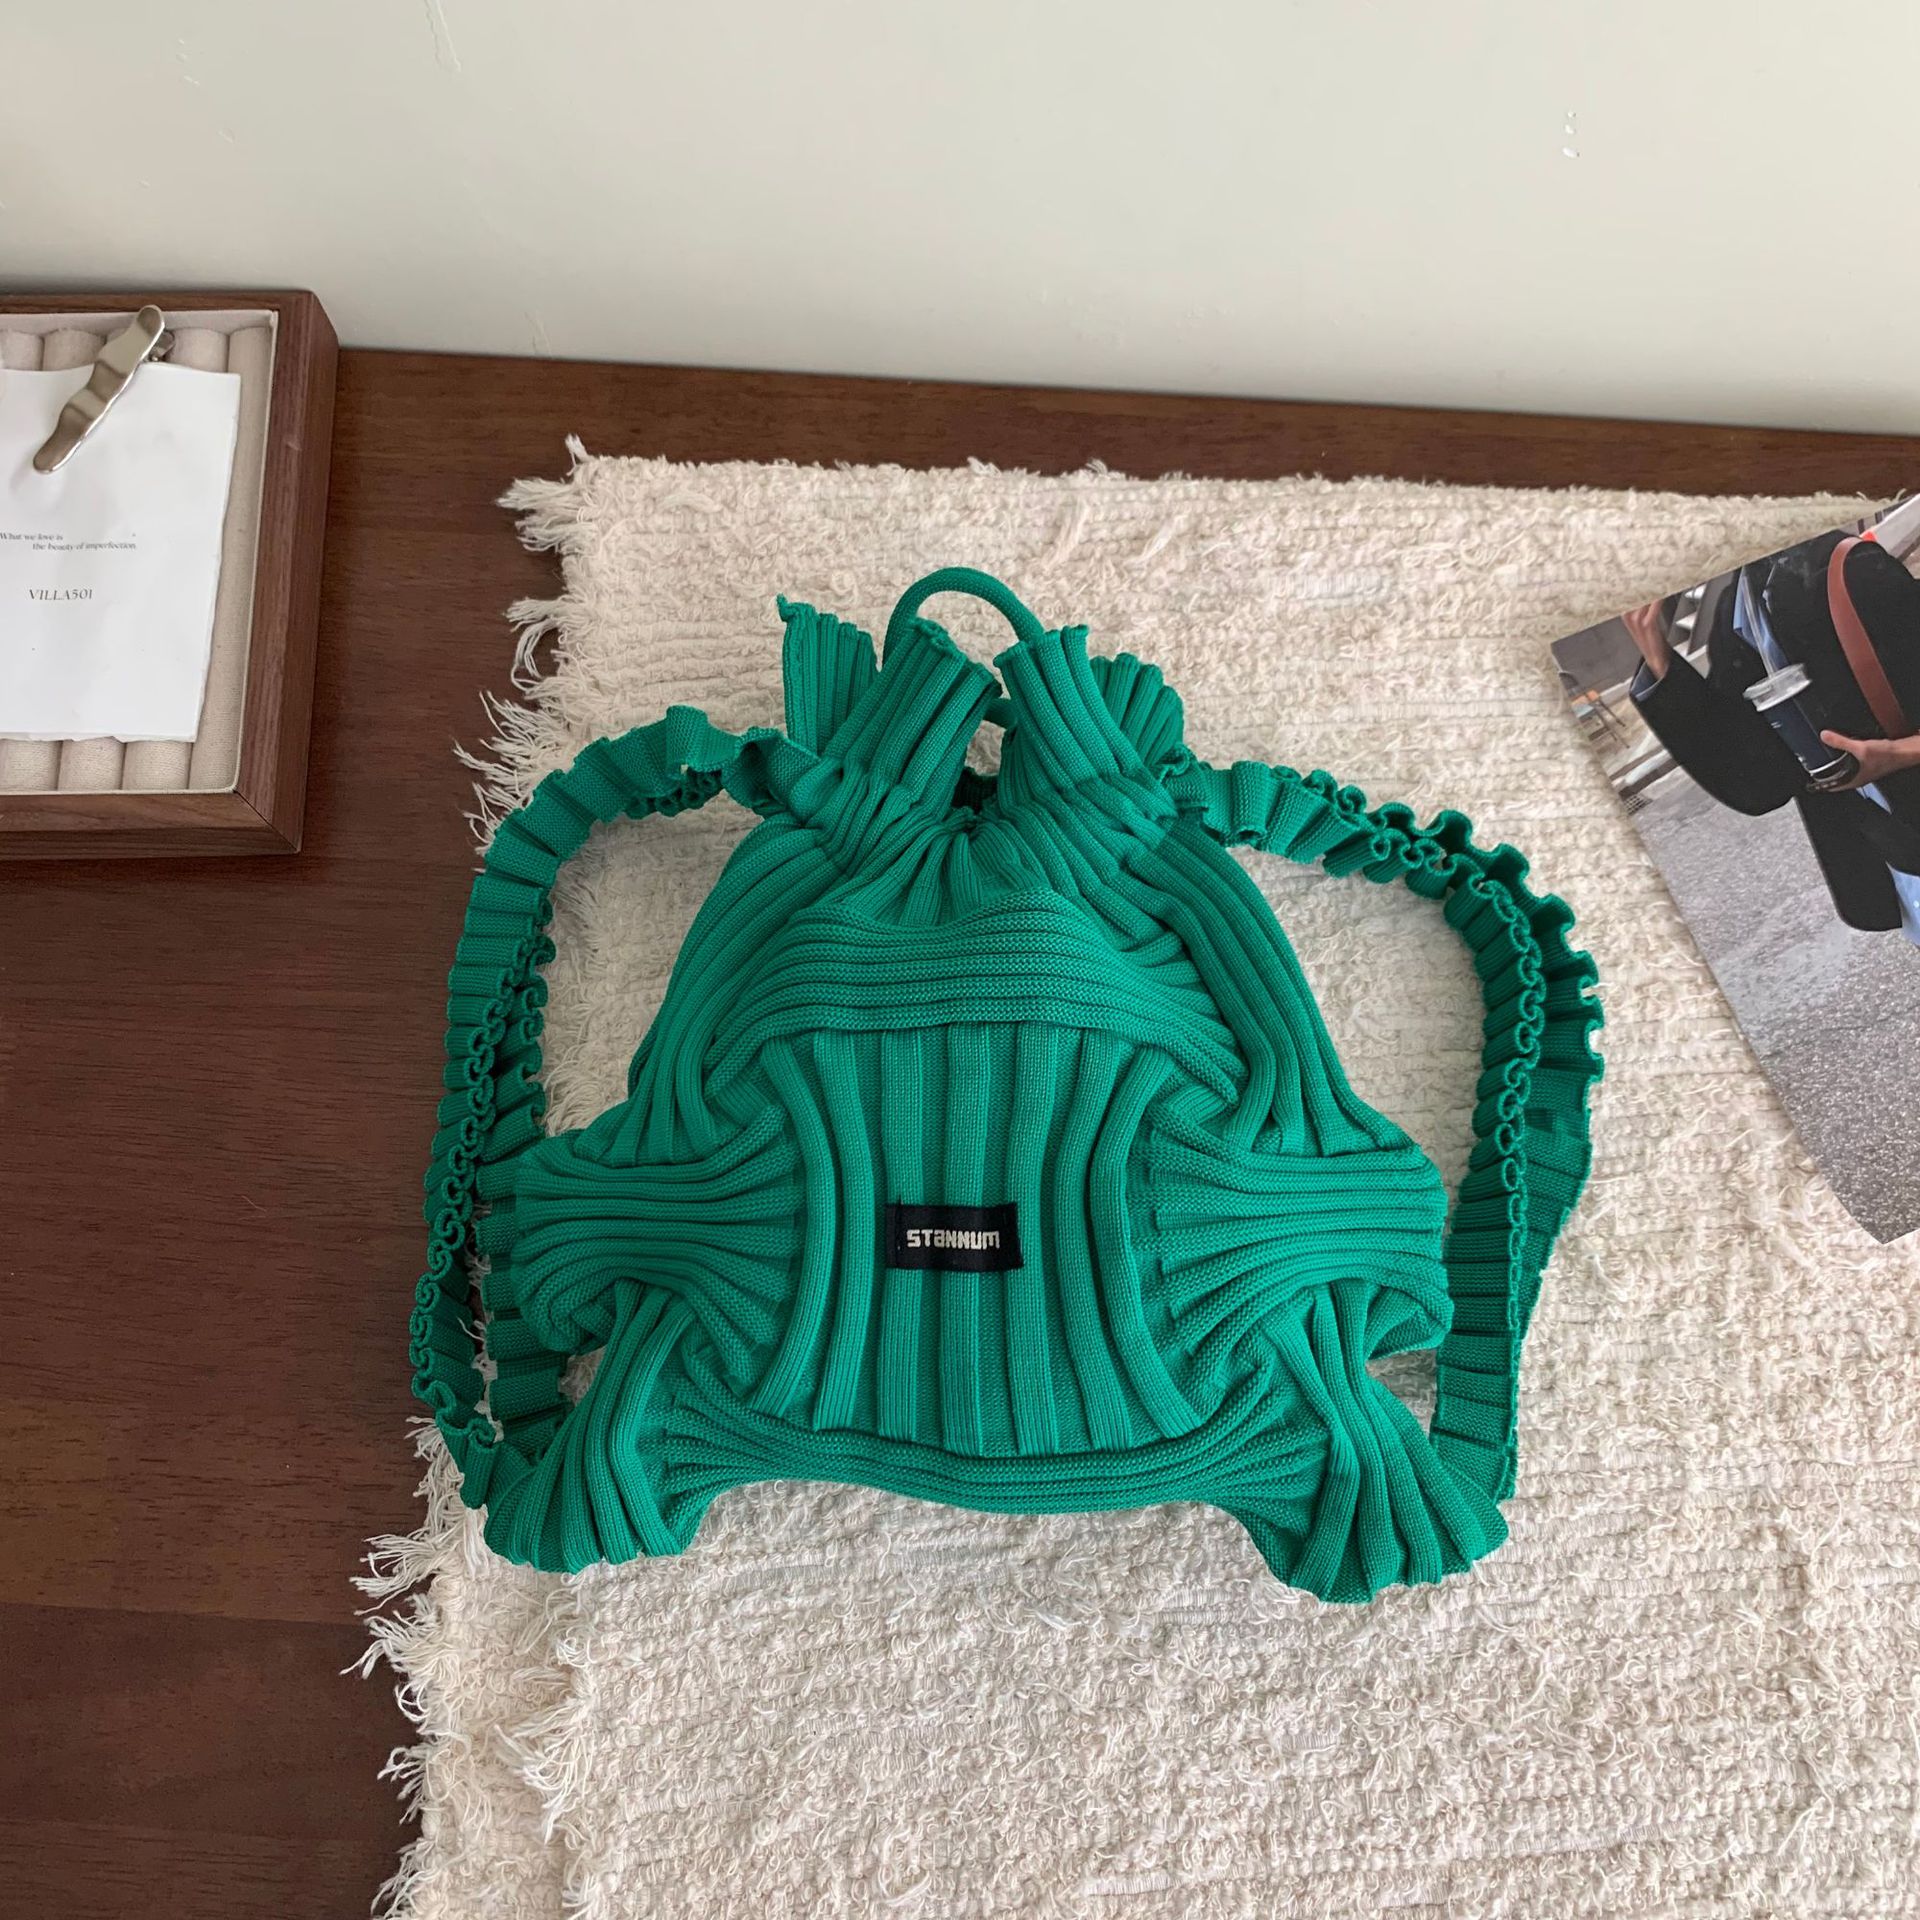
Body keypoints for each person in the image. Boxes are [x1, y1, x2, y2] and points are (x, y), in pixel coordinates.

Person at [1623, 531, 1920, 938]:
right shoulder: (1737, 612)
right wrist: (1662, 667)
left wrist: (1897, 754)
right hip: (1893, 856)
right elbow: (1759, 783)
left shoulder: (1853, 570)